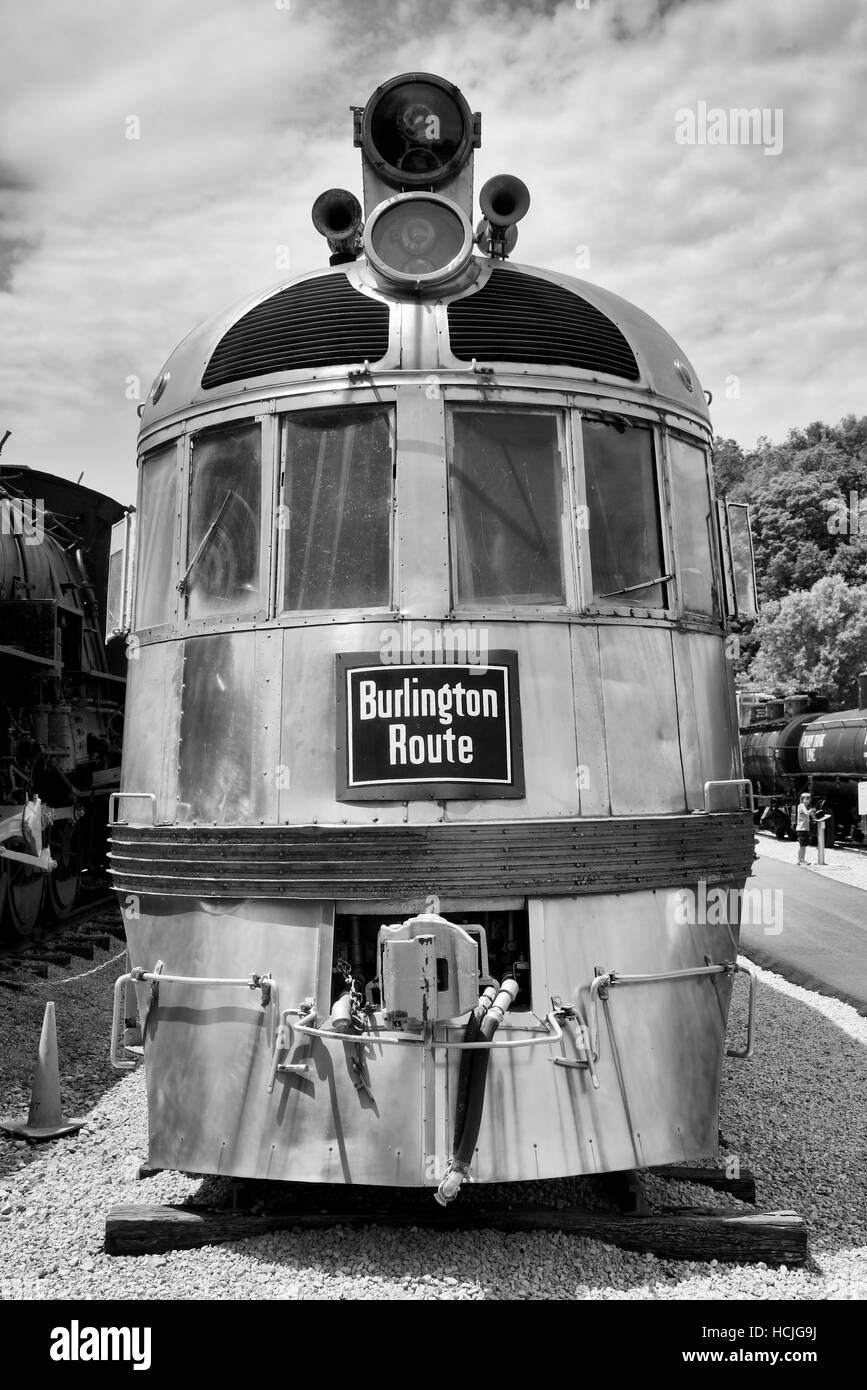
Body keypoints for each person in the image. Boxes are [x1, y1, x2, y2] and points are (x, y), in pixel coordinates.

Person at [795, 792, 820, 866]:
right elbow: (806, 813)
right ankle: (799, 860)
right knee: (801, 845)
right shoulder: (801, 805)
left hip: (805, 829)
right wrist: (812, 810)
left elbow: (813, 816)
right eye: (806, 799)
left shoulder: (806, 807)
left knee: (804, 846)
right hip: (801, 828)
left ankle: (803, 859)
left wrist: (815, 816)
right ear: (802, 799)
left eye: (809, 799)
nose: (808, 801)